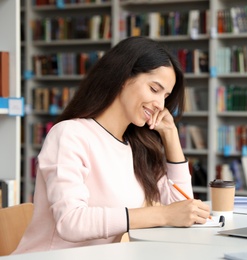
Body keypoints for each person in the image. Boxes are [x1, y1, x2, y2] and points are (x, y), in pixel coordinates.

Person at [12, 36, 210, 254]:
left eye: (166, 96)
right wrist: (162, 214)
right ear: (124, 77)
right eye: (154, 89)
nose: (160, 105)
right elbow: (70, 221)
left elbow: (183, 211)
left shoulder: (138, 147)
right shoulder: (70, 134)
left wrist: (171, 135)